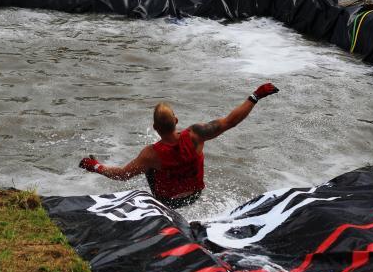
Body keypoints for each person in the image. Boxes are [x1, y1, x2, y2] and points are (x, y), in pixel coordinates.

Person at [79, 83, 279, 208]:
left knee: (146, 168)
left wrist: (94, 166)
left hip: (168, 202)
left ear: (155, 127)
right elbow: (230, 121)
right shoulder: (196, 135)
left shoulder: (150, 154)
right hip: (194, 195)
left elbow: (122, 175)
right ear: (176, 120)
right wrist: (255, 96)